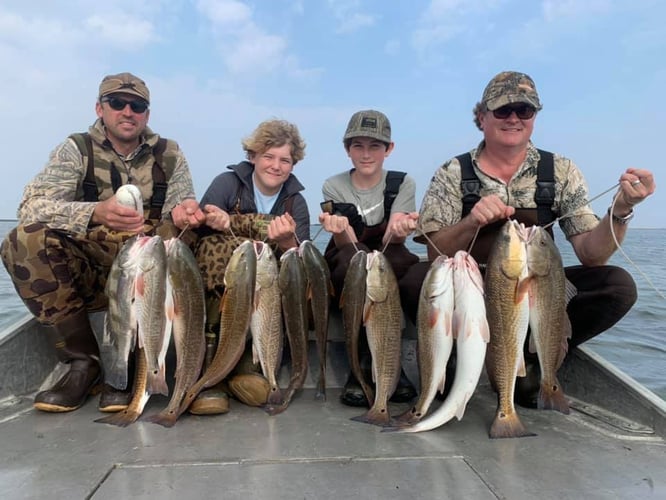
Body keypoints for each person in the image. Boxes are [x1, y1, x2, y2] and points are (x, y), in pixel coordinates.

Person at [402, 70, 657, 407]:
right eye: (502, 110)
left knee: (617, 285)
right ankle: (456, 355)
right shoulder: (452, 172)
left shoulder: (560, 170)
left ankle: (535, 358)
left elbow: (591, 255)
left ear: (535, 117)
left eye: (524, 111)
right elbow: (436, 252)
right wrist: (470, 222)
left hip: (536, 287)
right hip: (472, 291)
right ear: (482, 117)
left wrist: (621, 210)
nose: (513, 119)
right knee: (414, 281)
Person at [0, 72, 205, 413]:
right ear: (100, 108)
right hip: (92, 272)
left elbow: (181, 211)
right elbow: (31, 207)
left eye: (137, 105)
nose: (128, 111)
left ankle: (163, 365)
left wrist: (185, 214)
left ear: (147, 114)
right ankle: (84, 363)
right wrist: (96, 212)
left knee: (188, 243)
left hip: (149, 276)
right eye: (117, 103)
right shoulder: (76, 149)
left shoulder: (169, 154)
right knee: (23, 240)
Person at [191, 118, 310, 415]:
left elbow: (303, 257)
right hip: (225, 281)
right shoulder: (226, 183)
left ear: (293, 165)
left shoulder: (295, 202)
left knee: (283, 273)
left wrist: (285, 244)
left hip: (267, 287)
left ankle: (248, 364)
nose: (276, 166)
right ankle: (210, 372)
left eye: (285, 160)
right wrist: (221, 222)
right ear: (253, 156)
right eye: (268, 156)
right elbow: (197, 236)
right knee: (216, 251)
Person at [318, 109, 419, 407]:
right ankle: (361, 366)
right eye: (358, 145)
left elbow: (391, 240)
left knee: (416, 275)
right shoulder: (333, 185)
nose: (366, 154)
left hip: (388, 251)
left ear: (389, 149)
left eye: (375, 146)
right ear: (347, 149)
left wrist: (400, 230)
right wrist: (339, 229)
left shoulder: (402, 183)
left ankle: (404, 363)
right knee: (357, 265)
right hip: (348, 252)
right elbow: (344, 242)